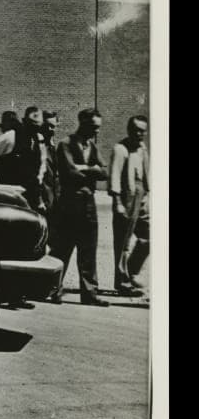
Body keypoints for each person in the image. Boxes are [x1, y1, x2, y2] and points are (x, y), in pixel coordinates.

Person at [50, 108, 109, 306]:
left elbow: (104, 172)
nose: (96, 132)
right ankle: (53, 290)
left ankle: (90, 294)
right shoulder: (66, 144)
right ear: (82, 123)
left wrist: (86, 168)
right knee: (62, 250)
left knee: (88, 251)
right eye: (93, 127)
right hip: (69, 206)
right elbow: (70, 172)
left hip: (88, 205)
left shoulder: (91, 146)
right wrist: (91, 170)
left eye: (98, 128)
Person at [108, 115, 149, 297]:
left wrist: (146, 197)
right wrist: (117, 203)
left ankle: (132, 271)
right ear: (129, 130)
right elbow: (114, 176)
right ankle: (123, 283)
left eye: (142, 131)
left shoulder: (142, 148)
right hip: (125, 198)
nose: (139, 134)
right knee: (123, 244)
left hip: (141, 196)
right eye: (136, 130)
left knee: (148, 237)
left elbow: (145, 174)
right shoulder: (120, 149)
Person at [0, 105, 46, 211]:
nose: (35, 129)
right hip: (9, 194)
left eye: (38, 126)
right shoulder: (11, 136)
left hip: (29, 194)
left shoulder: (39, 139)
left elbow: (41, 165)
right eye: (32, 126)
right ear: (25, 121)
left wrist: (38, 193)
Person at [39, 111, 61, 222]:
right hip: (42, 202)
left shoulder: (53, 147)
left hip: (54, 202)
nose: (50, 129)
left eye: (53, 126)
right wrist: (40, 201)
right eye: (47, 126)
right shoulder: (36, 146)